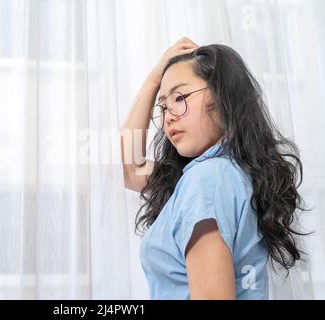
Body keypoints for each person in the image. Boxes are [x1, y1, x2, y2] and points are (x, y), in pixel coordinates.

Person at [120, 37, 307, 299]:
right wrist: (155, 78)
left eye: (180, 97)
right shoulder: (224, 171)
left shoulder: (207, 179)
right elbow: (130, 170)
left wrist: (157, 79)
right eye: (163, 106)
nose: (168, 116)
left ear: (221, 97)